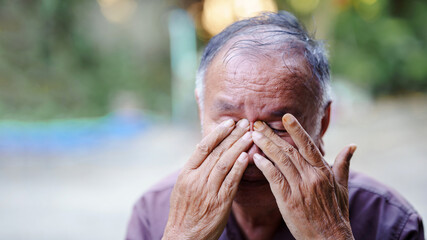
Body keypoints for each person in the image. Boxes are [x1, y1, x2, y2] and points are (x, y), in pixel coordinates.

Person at [126, 11, 424, 240]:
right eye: (232, 124)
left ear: (323, 121)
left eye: (278, 127)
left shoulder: (388, 221)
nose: (254, 149)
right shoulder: (154, 215)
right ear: (201, 113)